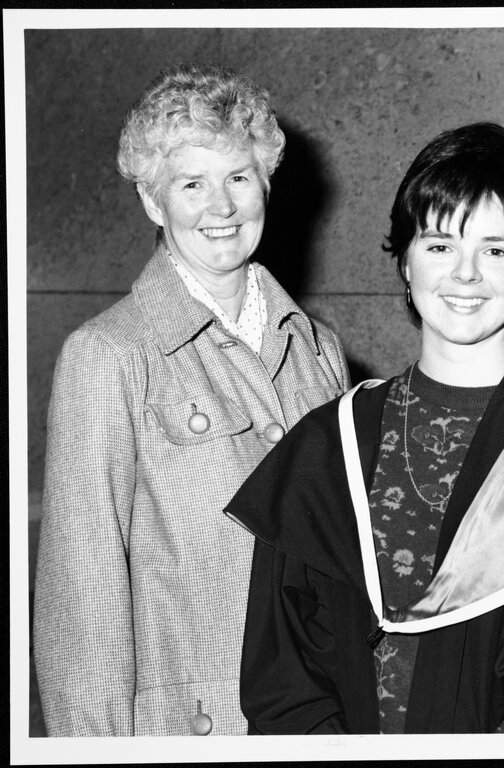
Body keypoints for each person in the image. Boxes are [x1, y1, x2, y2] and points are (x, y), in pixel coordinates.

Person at [226, 122, 504, 734]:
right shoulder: (329, 442)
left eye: (497, 249)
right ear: (404, 259)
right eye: (440, 244)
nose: (466, 275)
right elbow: (282, 673)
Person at [33, 63, 350, 736]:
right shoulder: (109, 355)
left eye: (238, 177)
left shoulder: (319, 349)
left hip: (322, 721)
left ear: (266, 181)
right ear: (154, 202)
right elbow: (80, 598)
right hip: (194, 729)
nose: (222, 207)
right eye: (191, 184)